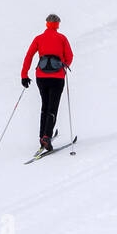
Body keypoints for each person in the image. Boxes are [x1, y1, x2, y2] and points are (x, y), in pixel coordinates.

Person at [22, 13, 73, 152]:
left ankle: (41, 136)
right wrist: (64, 66)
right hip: (57, 78)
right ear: (57, 24)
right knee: (53, 107)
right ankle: (46, 137)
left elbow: (29, 55)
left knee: (45, 106)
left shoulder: (39, 38)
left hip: (41, 77)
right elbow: (69, 56)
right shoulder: (62, 38)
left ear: (46, 23)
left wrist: (24, 75)